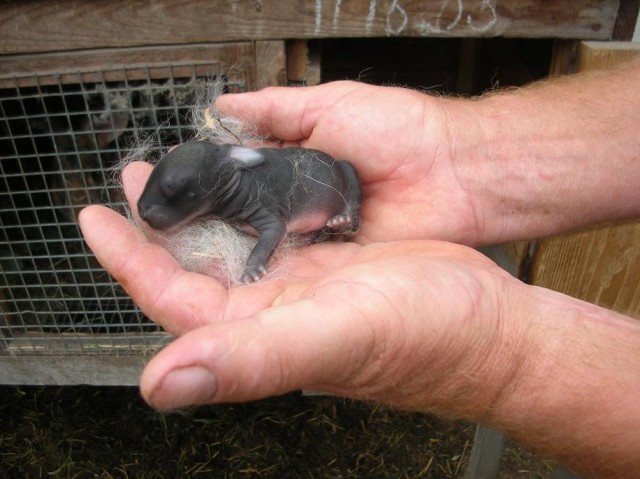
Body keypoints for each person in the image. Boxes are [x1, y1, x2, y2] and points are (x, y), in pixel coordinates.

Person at [79, 56, 640, 478]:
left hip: (329, 190)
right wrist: (465, 153)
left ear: (225, 175)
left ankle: (340, 207)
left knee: (333, 180)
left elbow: (270, 228)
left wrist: (498, 351)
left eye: (176, 198)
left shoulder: (254, 189)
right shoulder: (232, 178)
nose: (159, 215)